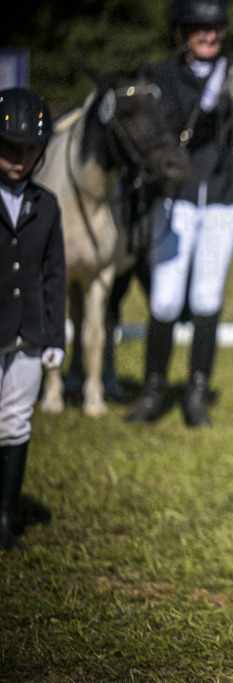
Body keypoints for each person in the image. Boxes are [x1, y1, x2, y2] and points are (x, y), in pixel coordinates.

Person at [125, 0, 233, 427]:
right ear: (183, 31)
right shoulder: (161, 75)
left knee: (206, 298)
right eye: (200, 28)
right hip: (176, 195)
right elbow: (168, 129)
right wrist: (211, 97)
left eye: (215, 28)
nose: (209, 35)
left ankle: (196, 394)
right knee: (164, 299)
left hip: (221, 195)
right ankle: (153, 391)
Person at [0, 87, 65, 551]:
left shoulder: (46, 204)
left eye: (30, 150)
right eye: (9, 149)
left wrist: (55, 334)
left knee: (16, 422)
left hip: (28, 333)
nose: (19, 160)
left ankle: (5, 517)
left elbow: (54, 273)